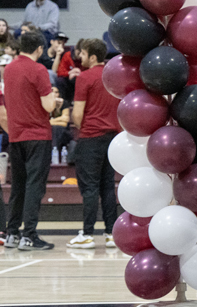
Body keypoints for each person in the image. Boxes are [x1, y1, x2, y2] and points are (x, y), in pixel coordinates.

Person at [2, 30, 56, 250]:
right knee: (35, 186)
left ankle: (12, 233)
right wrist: (54, 98)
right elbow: (48, 106)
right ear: (40, 49)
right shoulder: (38, 69)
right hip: (37, 135)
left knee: (18, 186)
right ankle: (29, 235)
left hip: (15, 136)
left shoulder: (9, 69)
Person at [66, 39, 121, 249]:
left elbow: (77, 114)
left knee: (89, 188)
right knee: (107, 187)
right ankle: (110, 234)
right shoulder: (114, 76)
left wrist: (84, 128)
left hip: (90, 138)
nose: (80, 57)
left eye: (83, 53)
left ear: (92, 56)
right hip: (112, 139)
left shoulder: (85, 77)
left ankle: (87, 234)